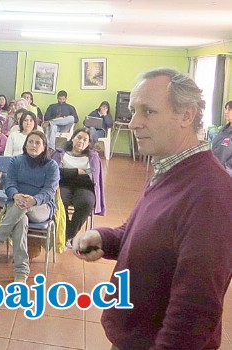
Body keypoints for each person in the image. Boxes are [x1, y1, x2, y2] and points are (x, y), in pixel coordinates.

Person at [72, 68, 232, 349]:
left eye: (148, 111)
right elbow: (149, 234)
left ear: (186, 115)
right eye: (134, 110)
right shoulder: (168, 168)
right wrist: (106, 239)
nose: (134, 122)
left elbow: (195, 310)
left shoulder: (211, 193)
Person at [0, 131, 58, 283]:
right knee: (21, 221)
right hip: (17, 204)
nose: (33, 145)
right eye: (30, 142)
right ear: (25, 144)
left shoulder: (51, 166)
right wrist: (15, 195)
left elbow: (49, 191)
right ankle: (21, 272)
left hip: (41, 207)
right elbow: (9, 185)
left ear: (44, 147)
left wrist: (33, 200)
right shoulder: (16, 161)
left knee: (22, 208)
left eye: (37, 143)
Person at [51, 128, 105, 241]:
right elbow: (54, 173)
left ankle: (68, 235)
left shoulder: (92, 156)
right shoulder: (61, 153)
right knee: (60, 201)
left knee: (87, 202)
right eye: (79, 137)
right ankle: (65, 232)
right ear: (72, 138)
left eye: (85, 140)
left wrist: (66, 172)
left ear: (89, 143)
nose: (81, 141)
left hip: (84, 187)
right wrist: (77, 172)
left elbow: (91, 179)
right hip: (63, 185)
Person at [211, 100, 232, 176]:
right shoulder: (223, 130)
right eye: (225, 109)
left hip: (227, 173)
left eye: (229, 109)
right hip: (216, 169)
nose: (226, 112)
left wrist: (226, 167)